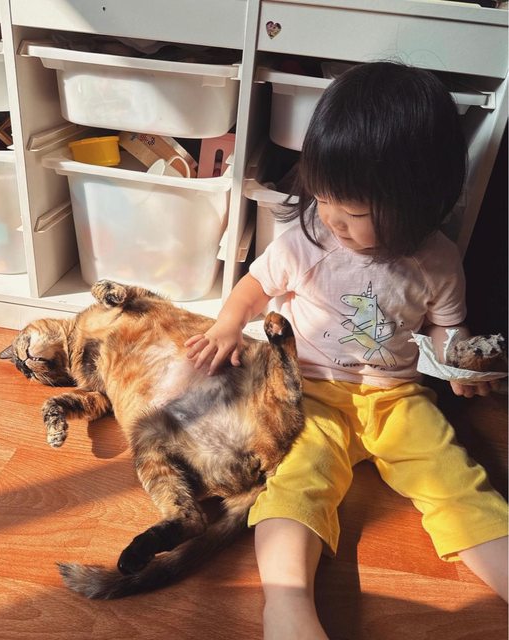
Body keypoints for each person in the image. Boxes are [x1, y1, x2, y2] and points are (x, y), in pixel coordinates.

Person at [185, 61, 509, 639]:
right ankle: (286, 607)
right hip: (308, 391)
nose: (331, 217)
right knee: (296, 482)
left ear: (416, 204)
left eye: (352, 212)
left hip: (397, 395)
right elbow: (255, 284)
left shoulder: (437, 260)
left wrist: (457, 363)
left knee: (455, 481)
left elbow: (447, 330)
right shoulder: (308, 239)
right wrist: (229, 323)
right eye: (323, 196)